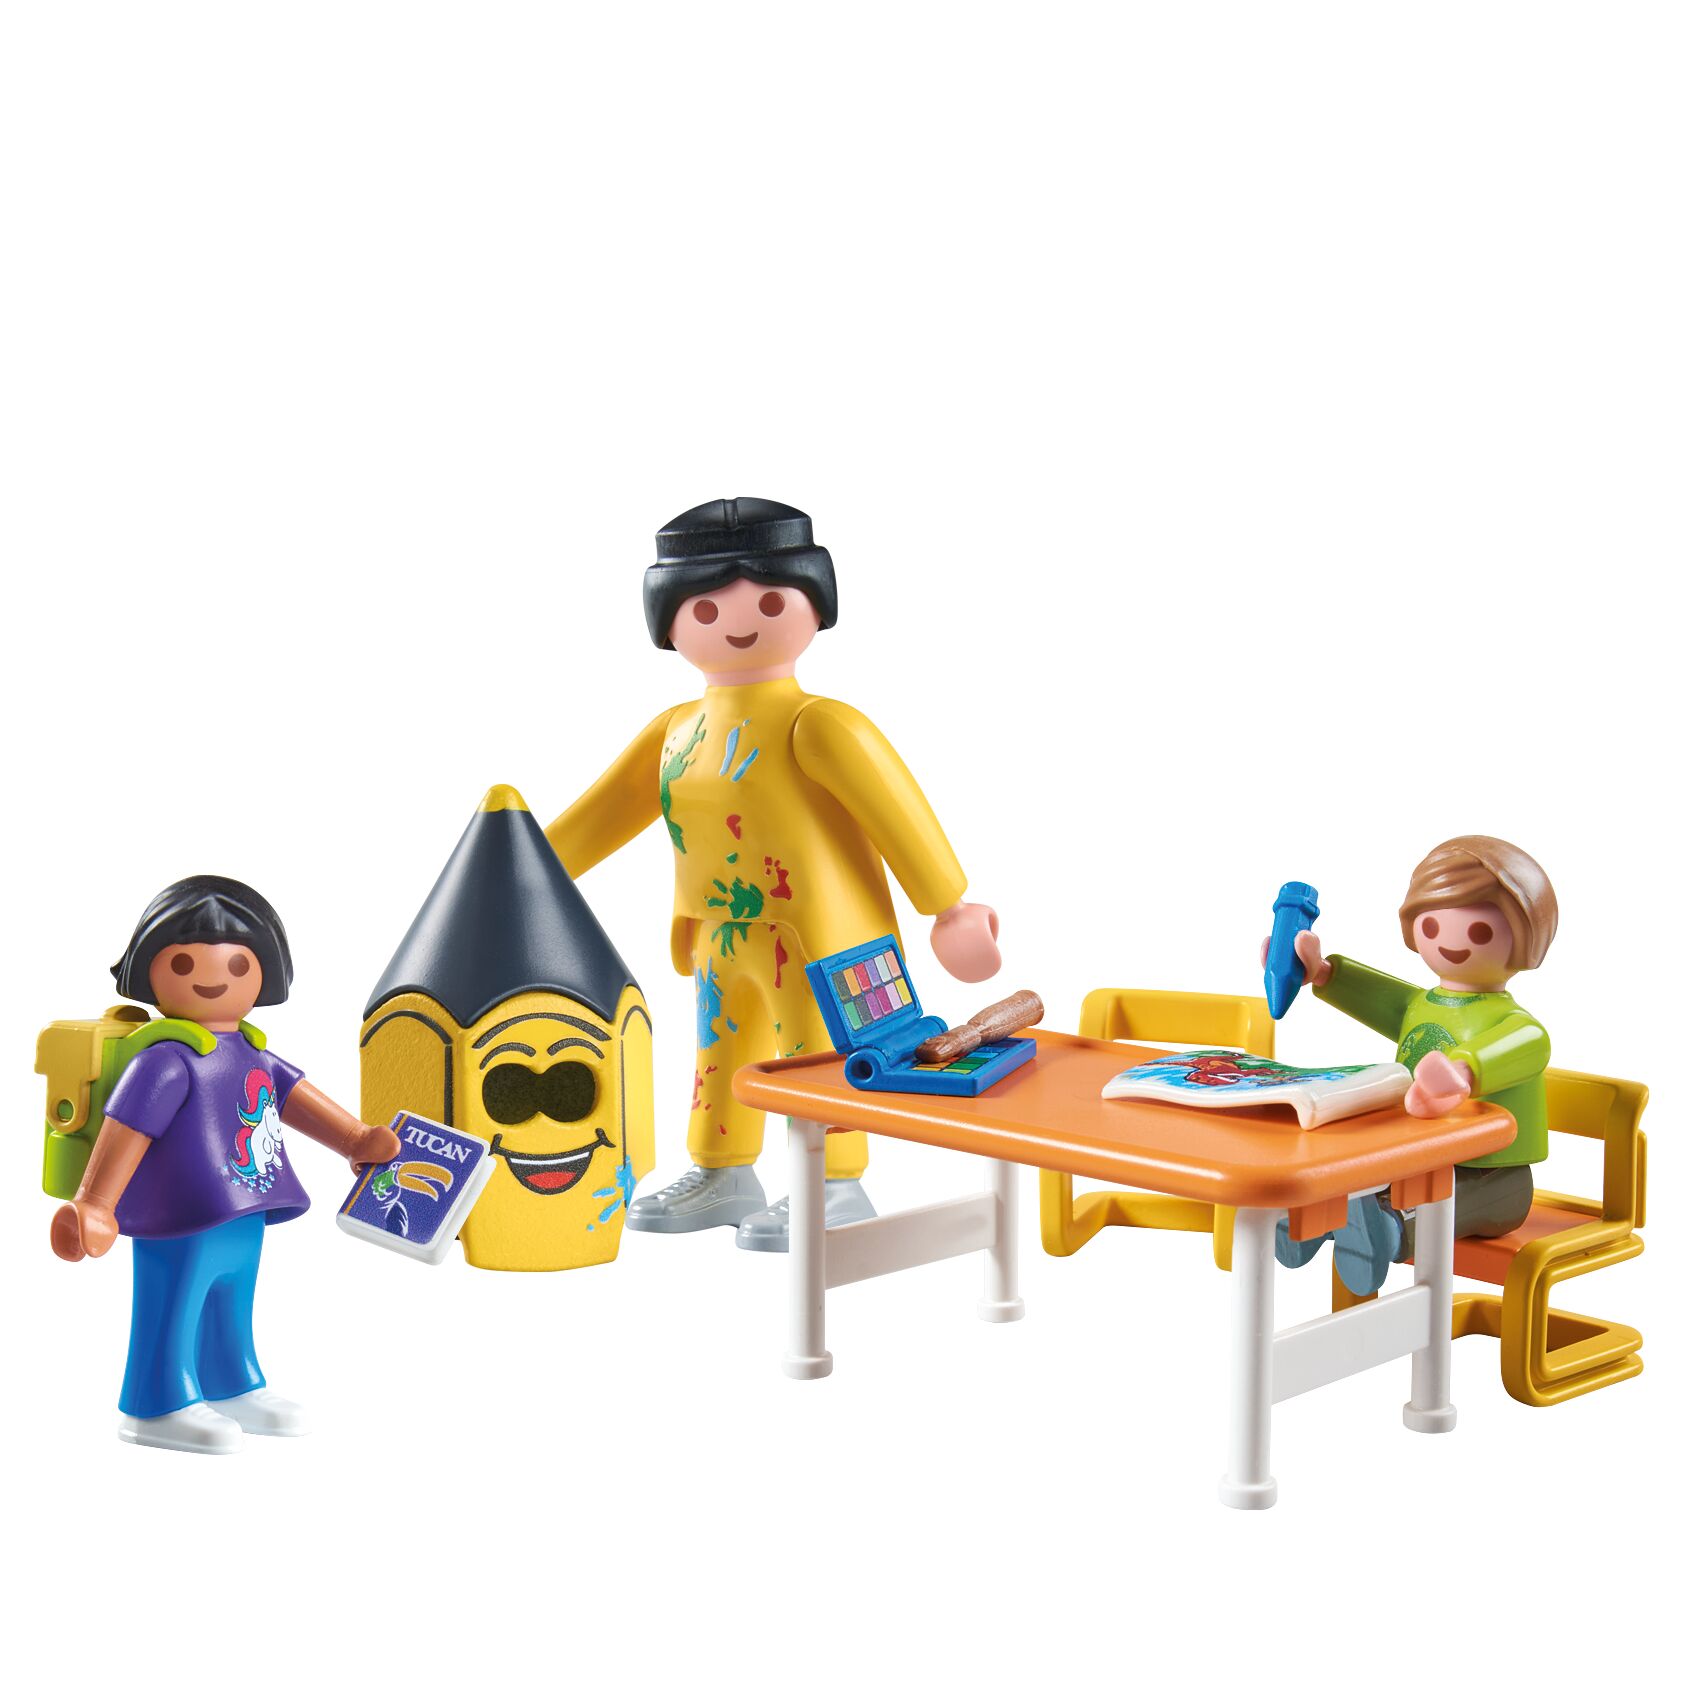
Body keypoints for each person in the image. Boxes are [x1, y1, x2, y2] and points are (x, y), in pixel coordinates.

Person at [546, 498, 1002, 1249]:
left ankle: (835, 1180)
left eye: (768, 601)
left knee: (818, 1053)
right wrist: (525, 866)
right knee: (721, 1053)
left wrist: (947, 906)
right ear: (669, 622)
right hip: (718, 933)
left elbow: (896, 811)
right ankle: (723, 1169)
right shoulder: (675, 732)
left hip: (820, 939)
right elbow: (603, 814)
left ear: (814, 605)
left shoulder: (817, 723)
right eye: (705, 607)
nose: (737, 622)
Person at [51, 876, 401, 1453]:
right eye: (182, 963)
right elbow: (127, 1129)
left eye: (238, 965)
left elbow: (295, 1098)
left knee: (232, 1295)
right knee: (173, 1299)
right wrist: (96, 1203)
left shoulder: (251, 1050)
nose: (212, 977)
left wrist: (355, 1140)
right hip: (180, 1212)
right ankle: (156, 1402)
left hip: (244, 1202)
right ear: (150, 971)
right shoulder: (165, 1060)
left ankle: (231, 1383)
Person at [1273, 835, 1556, 1295]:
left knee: (1432, 1203)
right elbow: (1377, 995)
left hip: (1495, 1179)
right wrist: (1320, 973)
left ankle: (1386, 1230)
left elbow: (1524, 1046)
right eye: (1432, 926)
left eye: (1479, 932)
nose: (1452, 942)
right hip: (1418, 1160)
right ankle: (1317, 1219)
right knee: (1366, 1178)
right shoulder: (1421, 1005)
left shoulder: (1516, 1025)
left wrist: (1462, 1071)